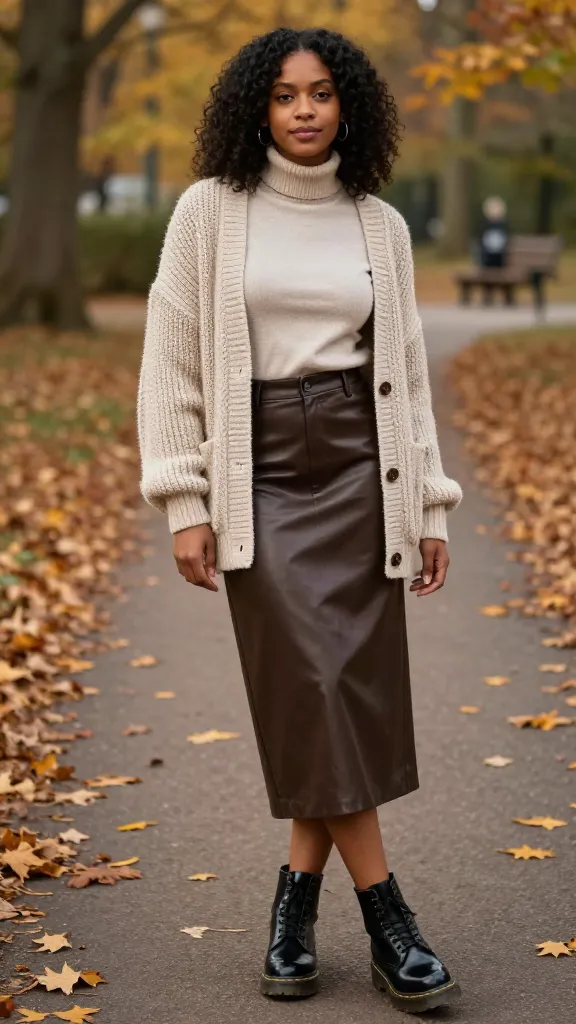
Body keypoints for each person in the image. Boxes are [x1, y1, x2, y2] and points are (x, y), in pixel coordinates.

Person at [137, 27, 463, 1014]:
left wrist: (428, 501)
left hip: (363, 474)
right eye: (286, 96)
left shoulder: (382, 227)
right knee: (314, 684)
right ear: (258, 108)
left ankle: (293, 908)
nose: (306, 110)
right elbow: (173, 357)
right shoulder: (210, 211)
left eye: (322, 93)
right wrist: (184, 499)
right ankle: (389, 915)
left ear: (349, 105)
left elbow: (403, 378)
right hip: (261, 474)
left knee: (339, 693)